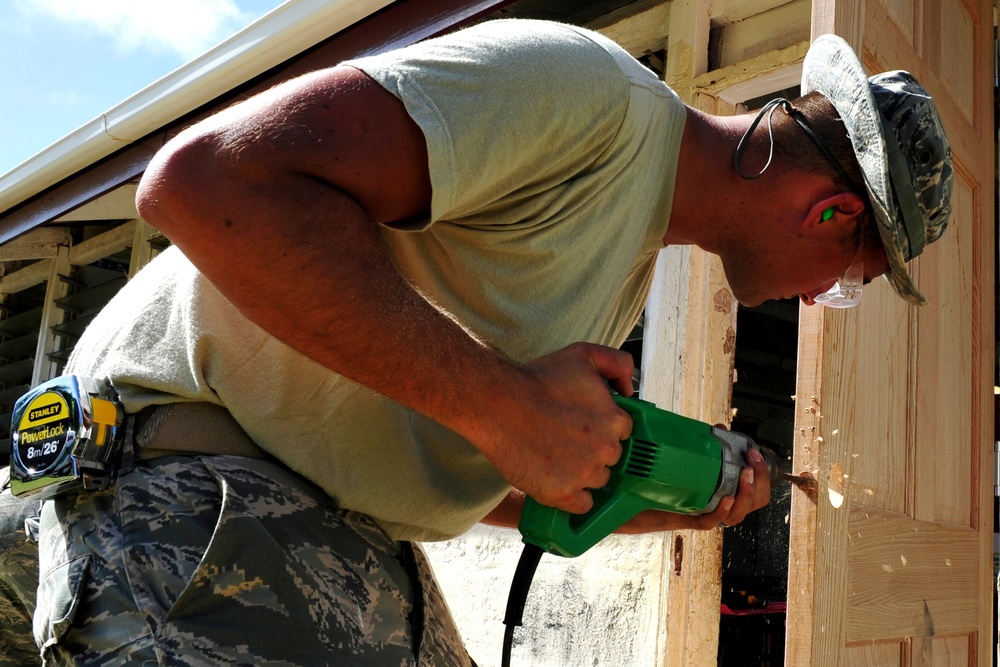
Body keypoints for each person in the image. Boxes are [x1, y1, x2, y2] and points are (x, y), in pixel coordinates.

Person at [4, 18, 950, 666]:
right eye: (848, 281)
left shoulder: (627, 257)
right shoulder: (591, 100)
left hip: (316, 508)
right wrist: (506, 403)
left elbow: (453, 453)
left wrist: (656, 502)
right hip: (179, 475)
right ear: (830, 213)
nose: (822, 296)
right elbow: (204, 185)